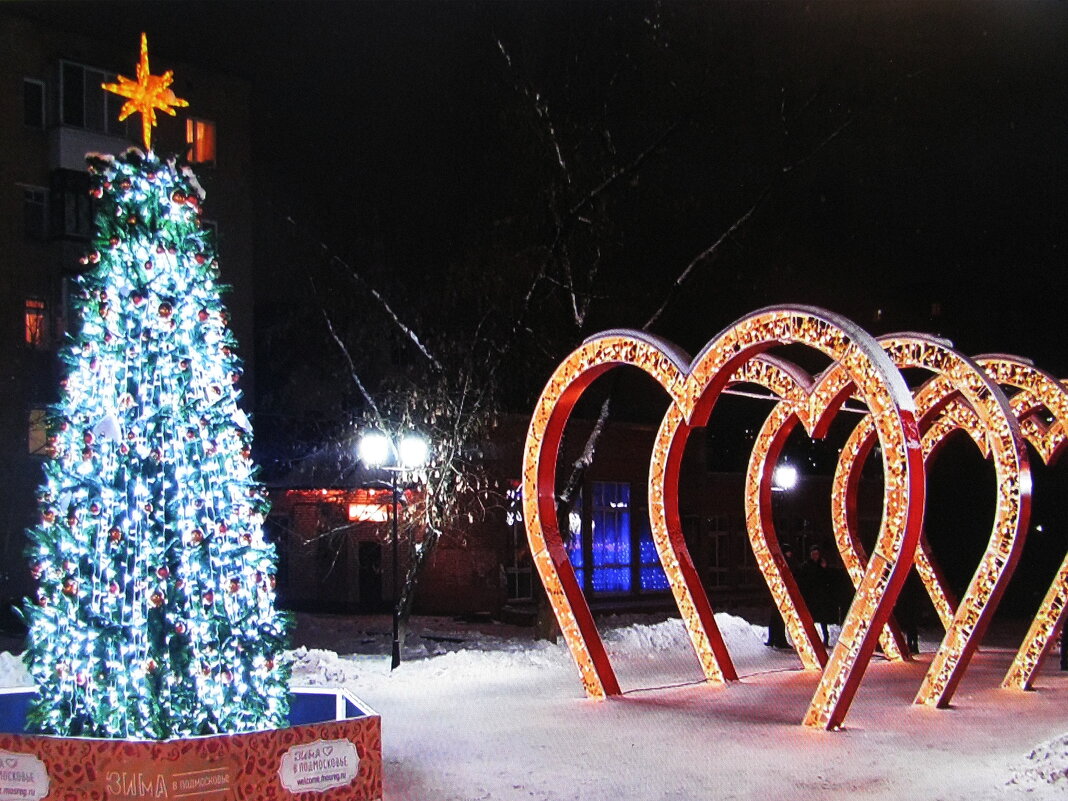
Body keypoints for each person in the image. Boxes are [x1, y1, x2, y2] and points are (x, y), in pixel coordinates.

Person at [797, 543, 835, 647]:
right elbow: (803, 579)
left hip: (821, 595)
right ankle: (809, 640)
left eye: (817, 554)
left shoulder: (822, 565)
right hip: (810, 595)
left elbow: (828, 578)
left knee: (823, 619)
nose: (815, 556)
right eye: (813, 554)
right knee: (809, 619)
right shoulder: (806, 566)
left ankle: (825, 639)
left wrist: (824, 568)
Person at [765, 543, 796, 648]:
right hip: (781, 594)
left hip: (778, 592)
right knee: (779, 618)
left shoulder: (778, 563)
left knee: (775, 618)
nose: (790, 554)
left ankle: (773, 639)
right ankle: (779, 640)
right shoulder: (785, 563)